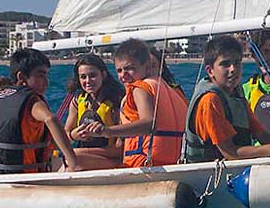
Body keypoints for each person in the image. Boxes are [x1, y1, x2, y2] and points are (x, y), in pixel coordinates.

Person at [183, 36, 270, 165]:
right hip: (208, 177)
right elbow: (230, 153)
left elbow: (260, 133)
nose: (233, 69)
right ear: (210, 71)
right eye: (225, 64)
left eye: (237, 63)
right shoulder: (210, 100)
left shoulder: (237, 92)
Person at [79, 39, 188, 168]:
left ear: (147, 67)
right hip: (174, 161)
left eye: (129, 68)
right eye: (119, 70)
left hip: (144, 162)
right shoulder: (171, 89)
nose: (123, 75)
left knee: (72, 160)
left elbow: (149, 124)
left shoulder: (139, 88)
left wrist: (107, 131)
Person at [63, 53, 125, 170]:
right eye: (83, 77)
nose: (88, 81)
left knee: (72, 159)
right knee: (71, 160)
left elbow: (120, 150)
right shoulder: (77, 101)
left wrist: (79, 152)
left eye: (93, 75)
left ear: (103, 75)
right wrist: (73, 136)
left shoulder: (117, 102)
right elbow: (65, 134)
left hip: (112, 159)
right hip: (83, 156)